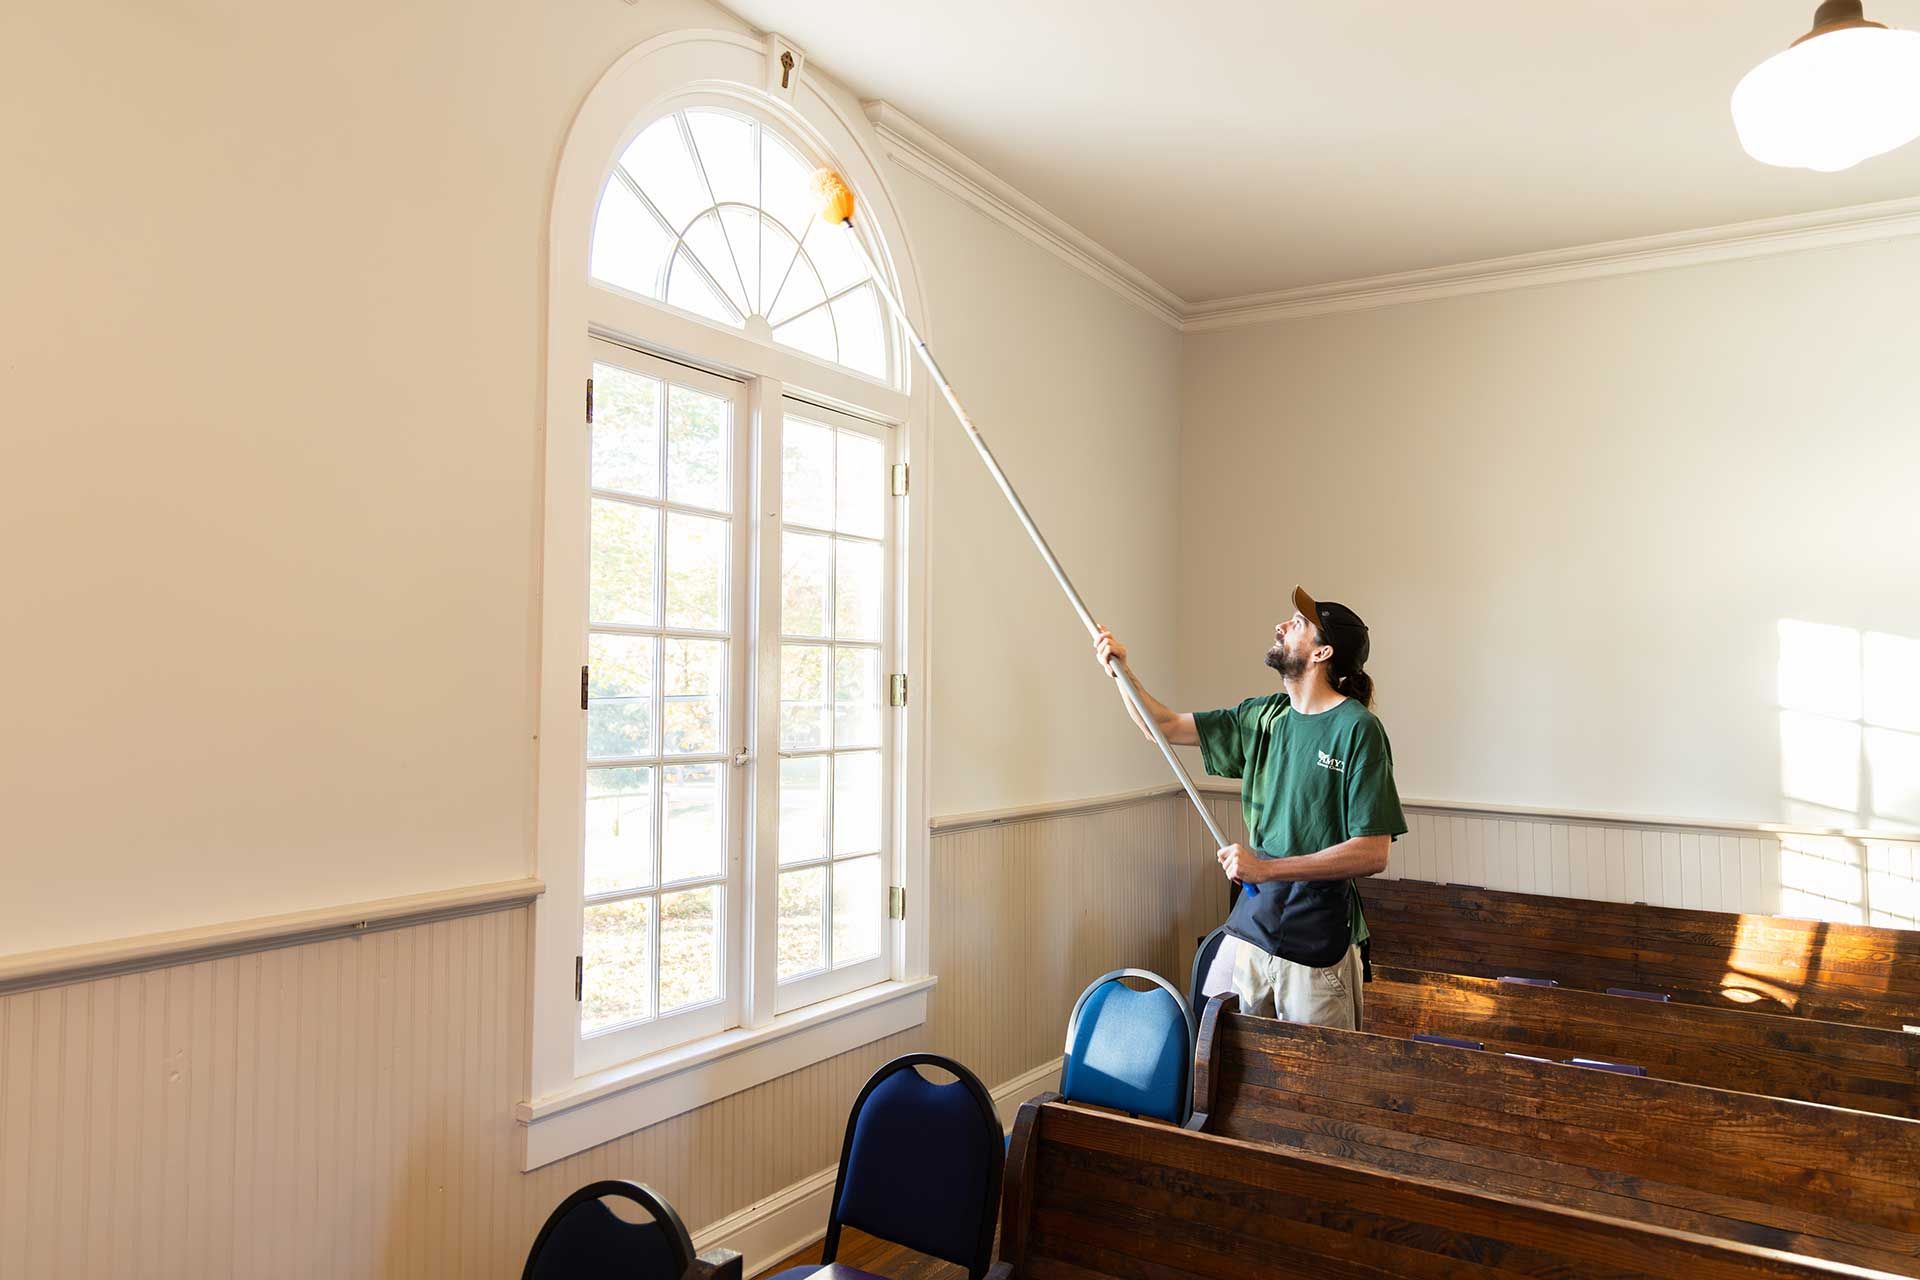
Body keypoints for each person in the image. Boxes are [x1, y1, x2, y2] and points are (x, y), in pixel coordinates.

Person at [1093, 585, 1406, 1028]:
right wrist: (1121, 672)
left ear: (1323, 653)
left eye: (1298, 624)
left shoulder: (1358, 730)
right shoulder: (1265, 717)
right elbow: (1161, 726)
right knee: (1227, 1052)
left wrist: (1266, 869)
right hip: (1255, 924)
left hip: (1319, 939)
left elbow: (1373, 852)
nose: (1281, 626)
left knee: (1311, 1070)